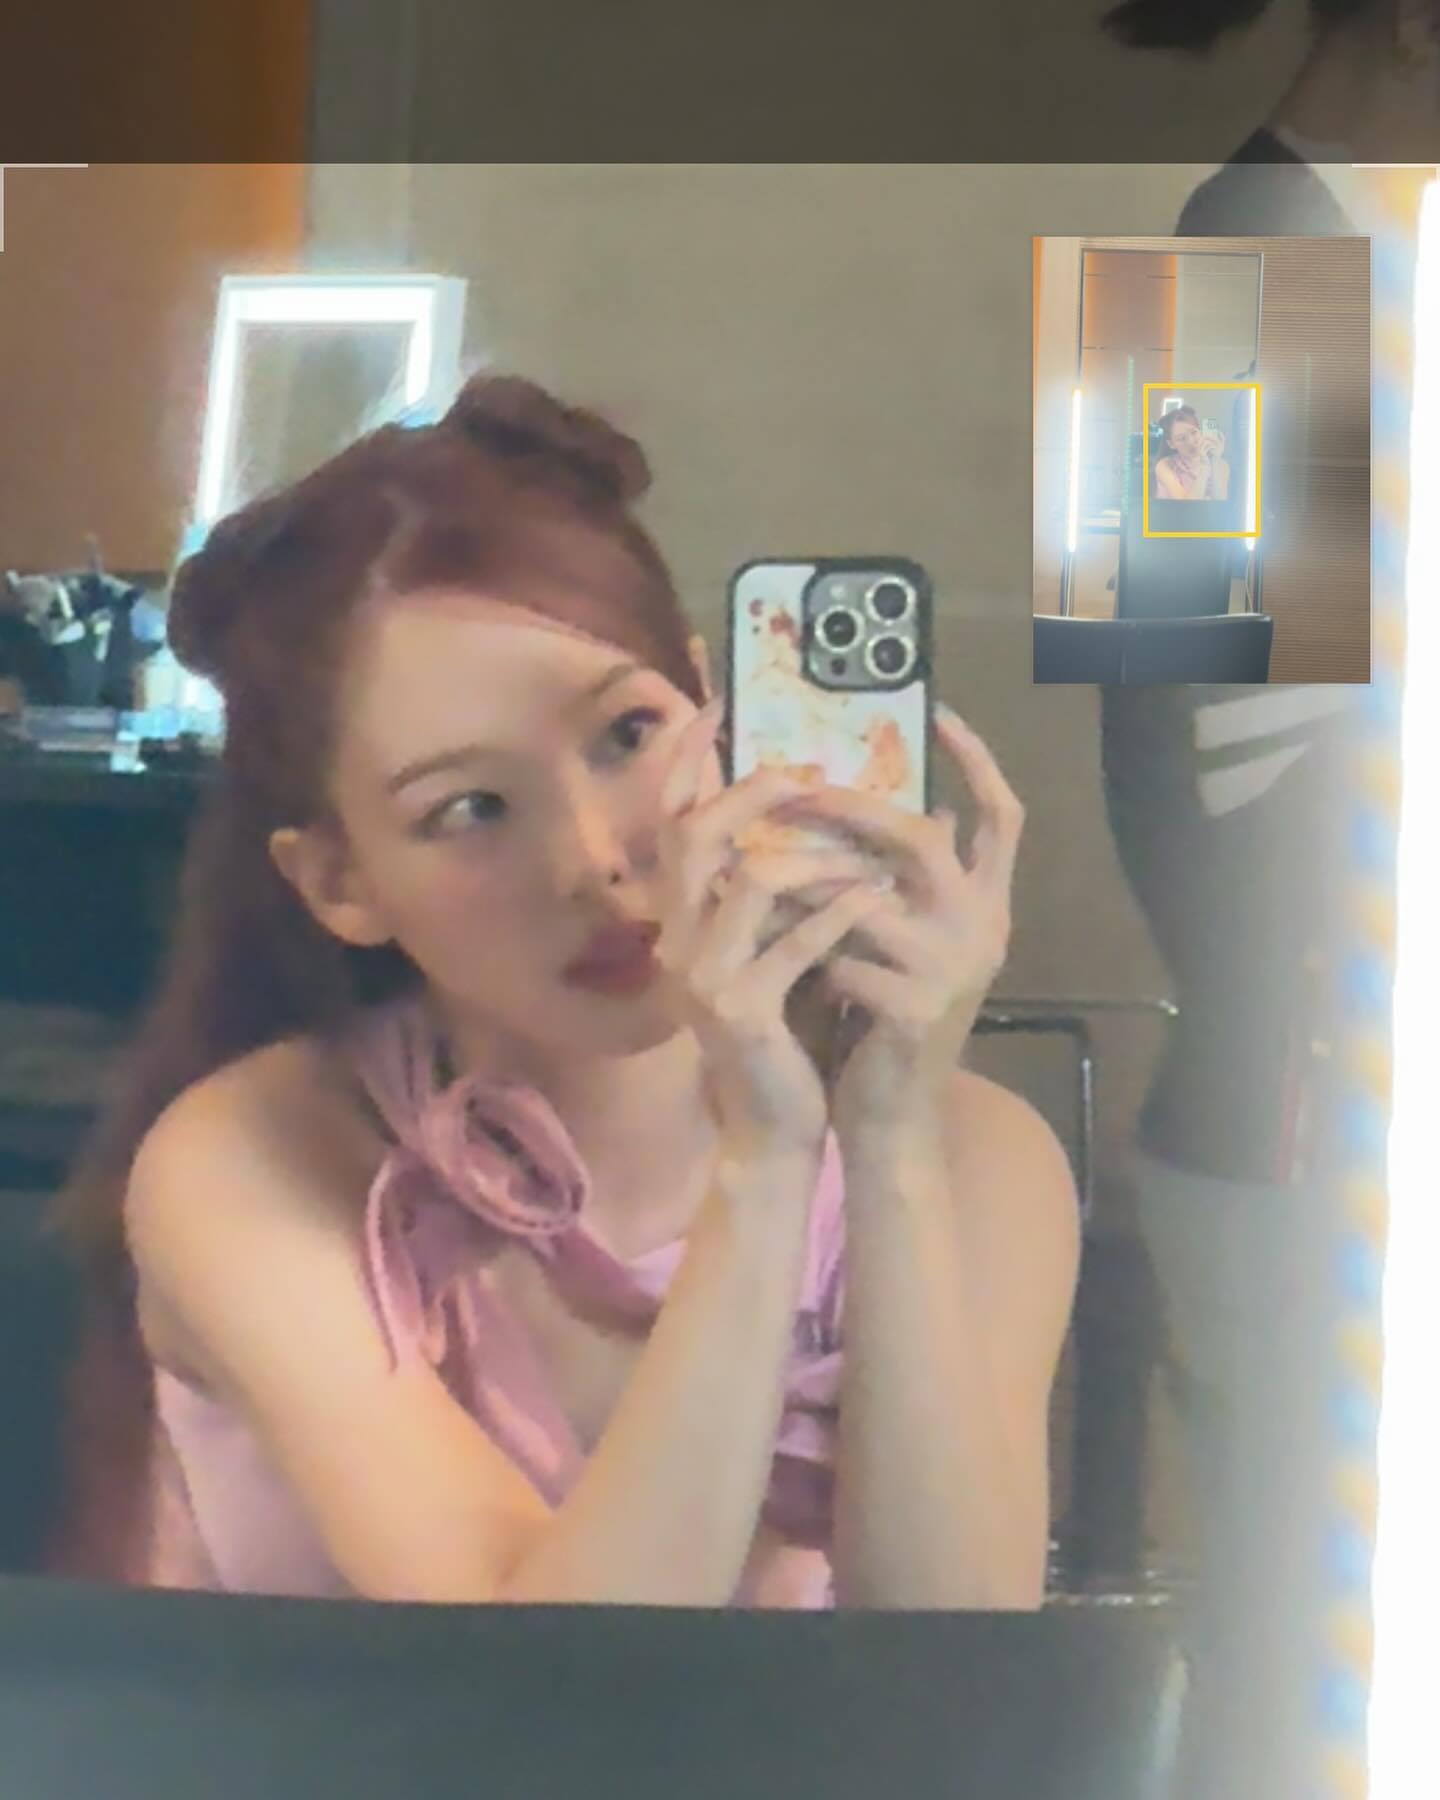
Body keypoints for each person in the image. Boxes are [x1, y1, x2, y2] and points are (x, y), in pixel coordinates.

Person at [42, 375, 1078, 1609]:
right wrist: (763, 1167)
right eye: (470, 808)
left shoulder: (976, 1157)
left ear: (713, 707)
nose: (592, 858)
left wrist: (890, 1145)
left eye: (628, 736)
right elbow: (547, 1685)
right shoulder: (248, 1162)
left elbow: (952, 1682)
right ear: (339, 880)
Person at [1152, 406, 1230, 501]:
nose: (1191, 441)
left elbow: (1220, 503)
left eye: (1194, 432)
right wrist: (1204, 467)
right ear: (1171, 444)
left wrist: (1215, 460)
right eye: (1182, 438)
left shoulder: (1221, 464)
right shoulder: (1165, 465)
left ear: (1200, 431)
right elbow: (1187, 506)